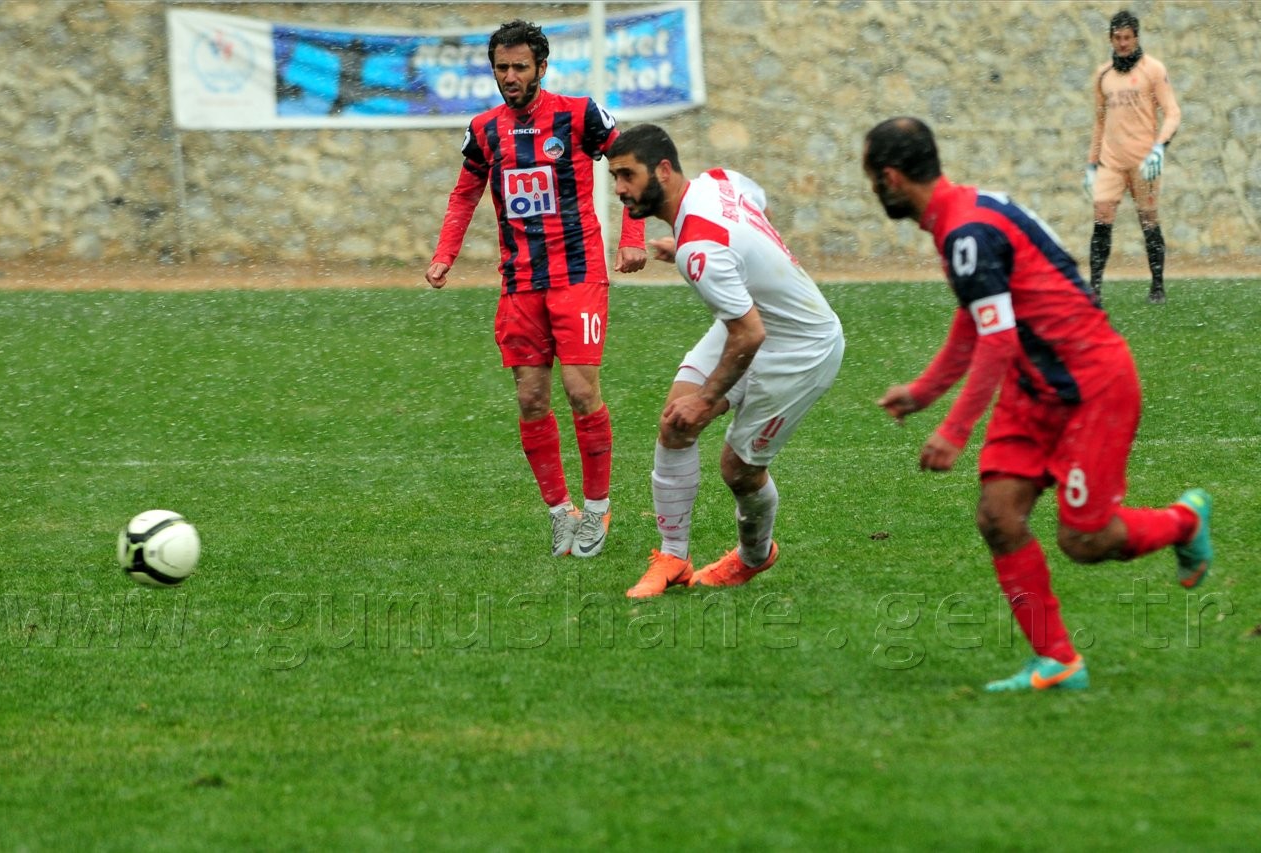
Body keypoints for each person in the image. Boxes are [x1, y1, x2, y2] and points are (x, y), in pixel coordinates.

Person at [864, 116, 1214, 692]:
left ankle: (1185, 521)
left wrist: (953, 430)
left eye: (873, 179)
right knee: (999, 517)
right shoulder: (964, 211)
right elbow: (976, 315)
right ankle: (1059, 662)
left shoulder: (965, 232)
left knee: (1086, 540)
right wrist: (926, 390)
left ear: (892, 178)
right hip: (1034, 388)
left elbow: (996, 338)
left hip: (1090, 384)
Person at [425, 20, 648, 558]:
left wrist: (633, 235)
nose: (510, 77)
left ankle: (597, 508)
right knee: (529, 399)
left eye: (520, 66)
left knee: (580, 390)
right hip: (521, 281)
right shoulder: (484, 130)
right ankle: (560, 512)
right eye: (502, 68)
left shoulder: (578, 114)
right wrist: (443, 255)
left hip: (577, 273)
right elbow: (464, 197)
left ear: (541, 68)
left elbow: (631, 163)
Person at [604, 124, 845, 599]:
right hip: (753, 322)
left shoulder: (701, 246)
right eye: (614, 177)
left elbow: (749, 334)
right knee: (675, 425)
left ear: (665, 170)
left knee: (739, 470)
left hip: (802, 347)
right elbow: (755, 208)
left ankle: (755, 556)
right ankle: (673, 558)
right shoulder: (717, 180)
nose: (619, 190)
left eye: (627, 175)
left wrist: (708, 399)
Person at [1084, 9, 1181, 305]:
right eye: (1117, 38)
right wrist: (1091, 163)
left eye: (1127, 38)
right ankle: (1095, 290)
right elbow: (1100, 122)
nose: (1123, 43)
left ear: (1136, 38)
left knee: (1149, 221)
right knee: (1101, 220)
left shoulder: (1152, 70)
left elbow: (1173, 113)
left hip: (1143, 163)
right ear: (1110, 39)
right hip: (1111, 162)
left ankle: (1157, 288)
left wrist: (1159, 148)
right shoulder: (1103, 75)